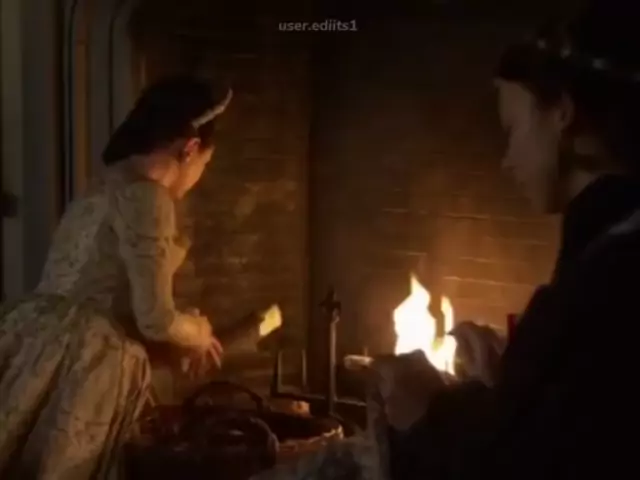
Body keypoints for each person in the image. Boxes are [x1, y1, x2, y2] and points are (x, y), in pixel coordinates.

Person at [383, 1, 640, 479]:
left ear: (562, 113)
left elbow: (524, 466)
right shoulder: (608, 244)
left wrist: (425, 412)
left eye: (514, 128)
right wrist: (515, 378)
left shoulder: (612, 276)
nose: (507, 158)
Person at [0, 76, 230, 479]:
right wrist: (199, 332)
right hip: (85, 361)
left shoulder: (103, 183)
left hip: (33, 336)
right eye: (205, 165)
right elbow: (155, 318)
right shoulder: (149, 196)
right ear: (190, 149)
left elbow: (110, 297)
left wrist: (172, 345)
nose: (199, 176)